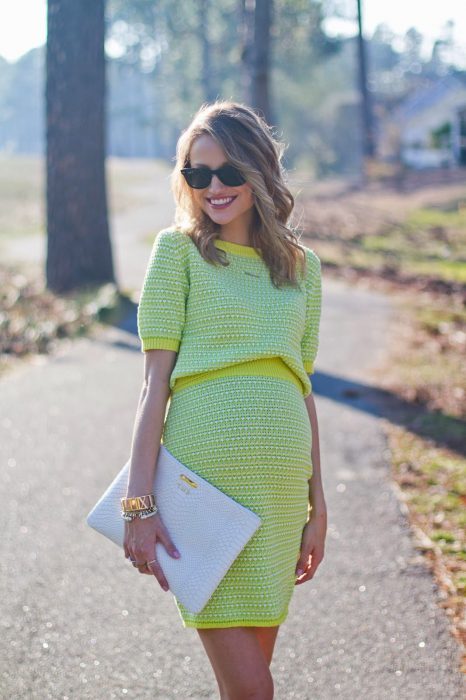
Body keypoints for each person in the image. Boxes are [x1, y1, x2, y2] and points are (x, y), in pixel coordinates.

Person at [123, 100, 327, 700]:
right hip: (202, 492)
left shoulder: (302, 269)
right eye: (197, 173)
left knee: (249, 686)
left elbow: (302, 386)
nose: (213, 187)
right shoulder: (177, 253)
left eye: (228, 172)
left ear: (259, 172)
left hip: (280, 498)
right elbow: (152, 386)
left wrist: (319, 506)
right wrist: (139, 504)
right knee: (252, 690)